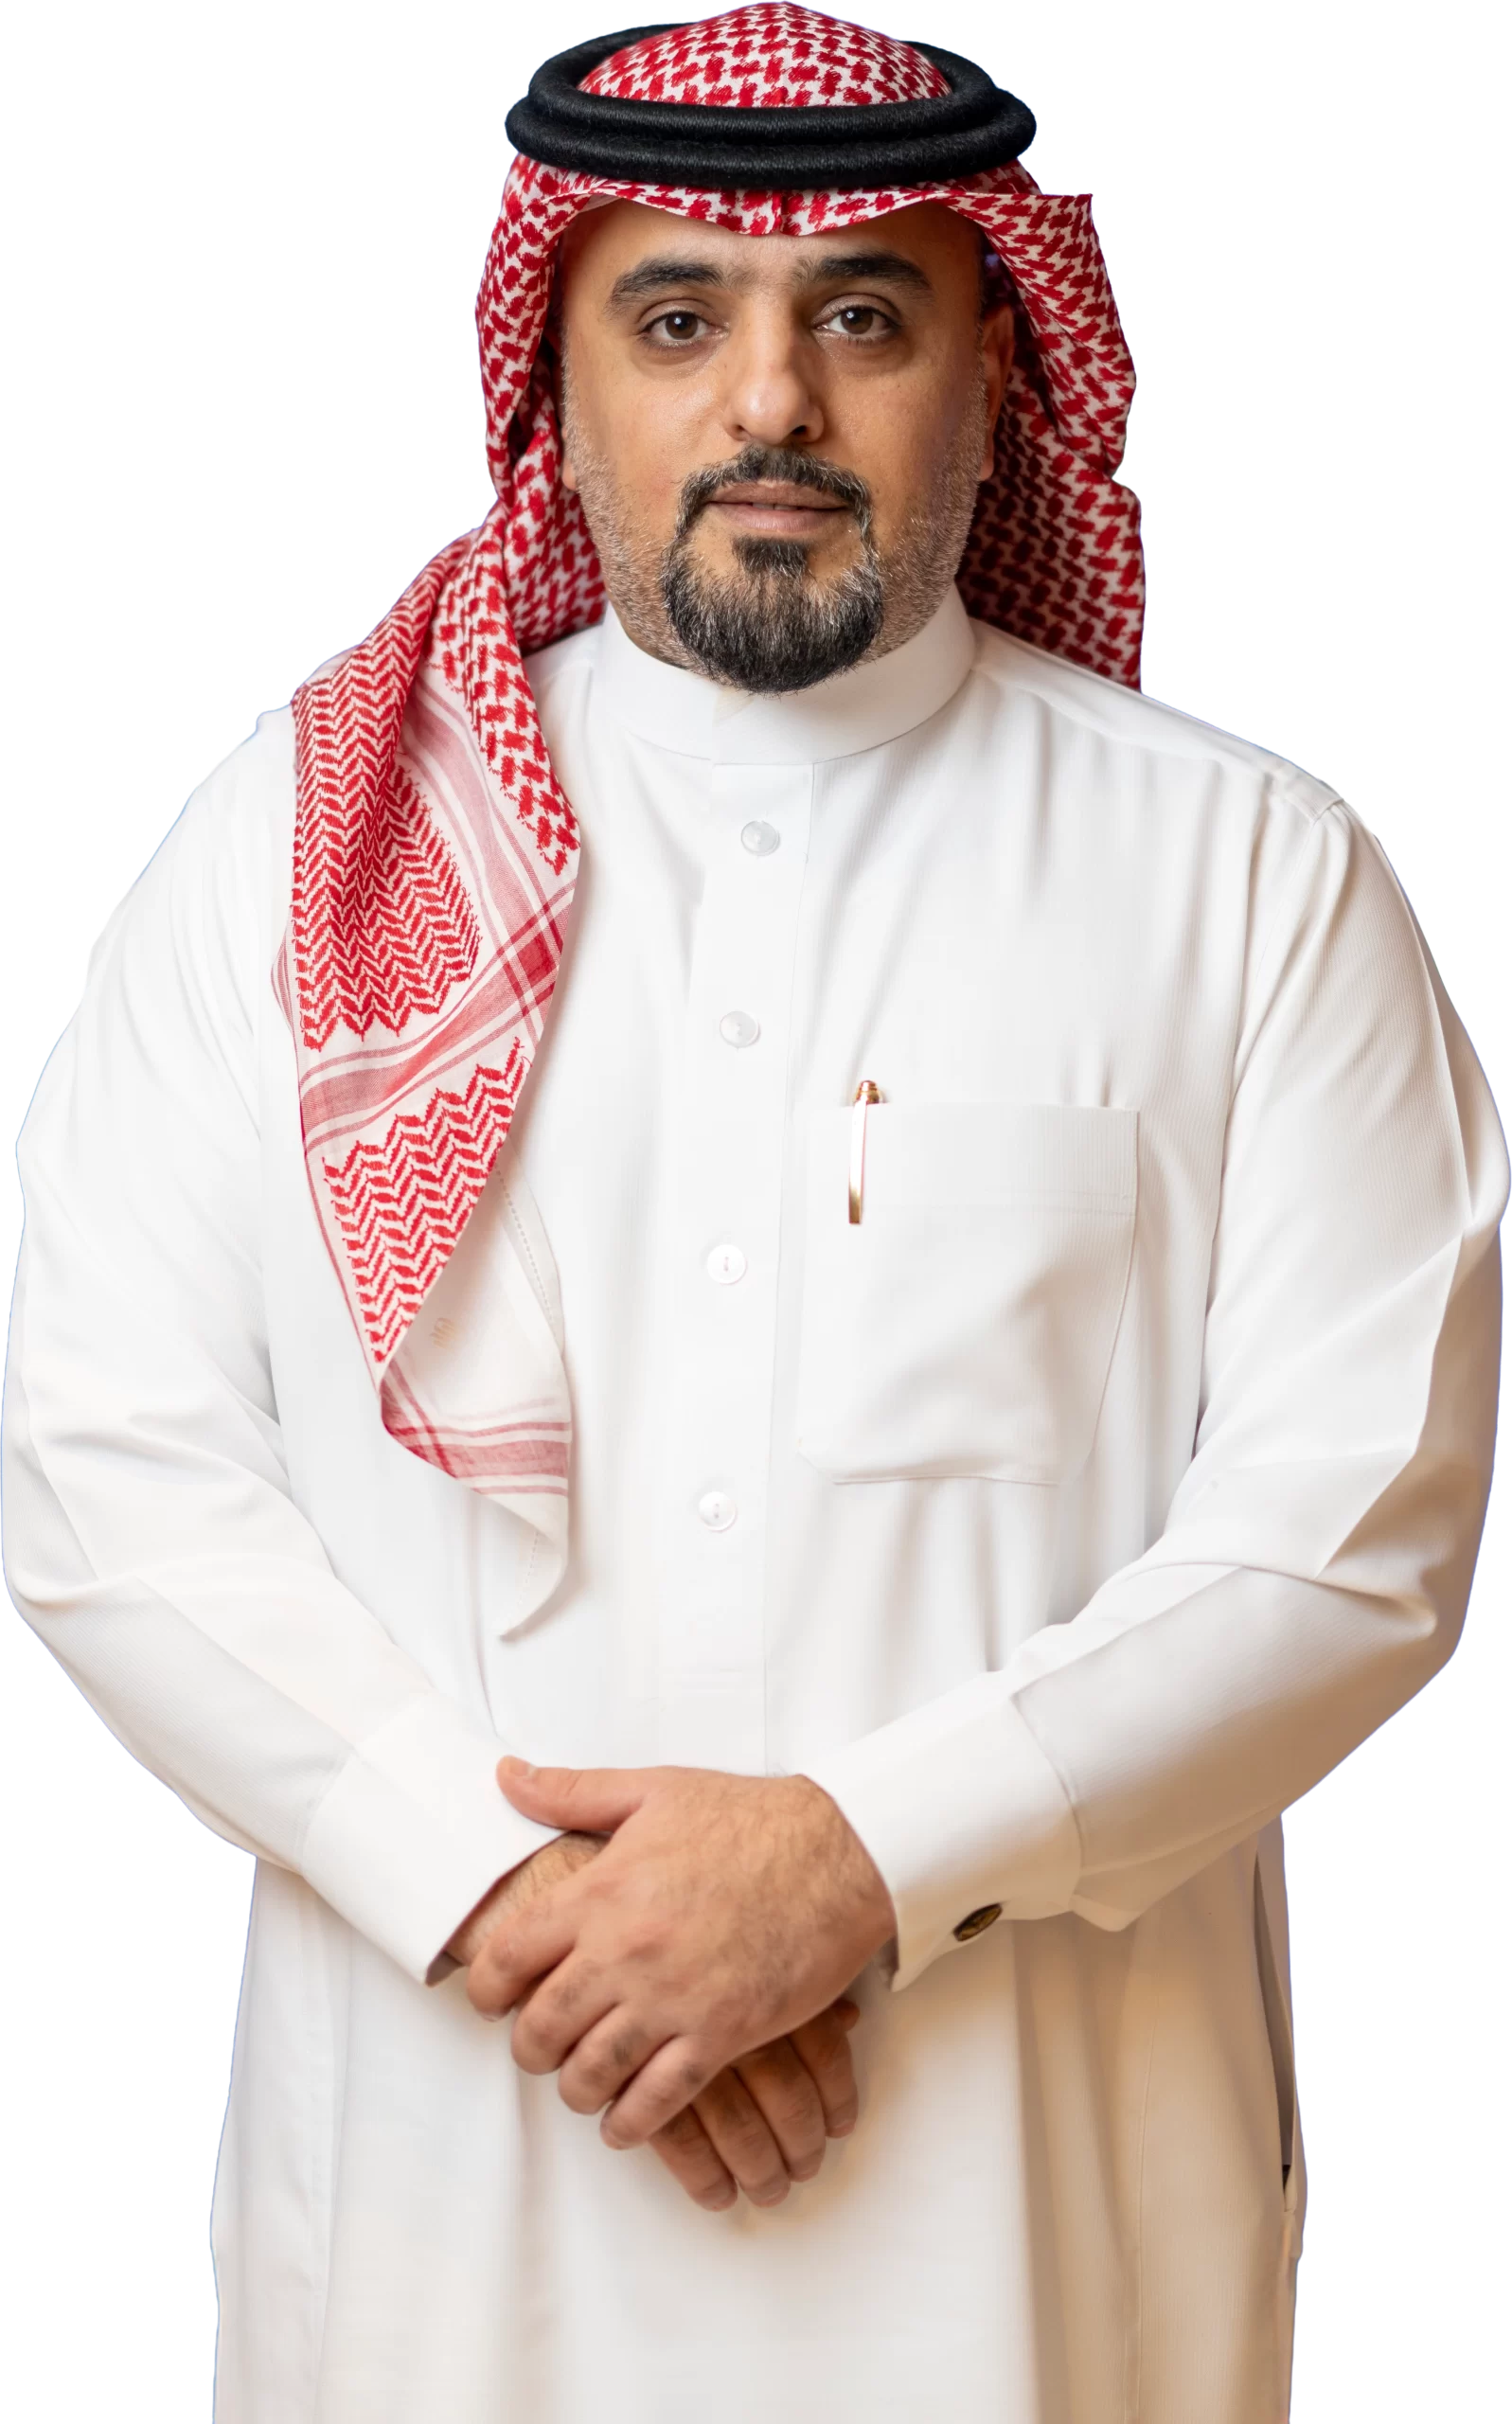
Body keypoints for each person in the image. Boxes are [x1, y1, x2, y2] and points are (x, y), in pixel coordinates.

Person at [3, 9, 1503, 2420]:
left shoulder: (1250, 877)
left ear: (998, 368)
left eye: (865, 318)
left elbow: (1347, 1538)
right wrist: (507, 1893)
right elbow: (111, 1479)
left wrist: (859, 1862)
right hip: (438, 2240)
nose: (771, 401)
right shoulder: (285, 857)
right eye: (679, 317)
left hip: (1033, 2252)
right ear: (556, 378)